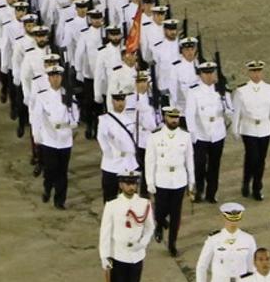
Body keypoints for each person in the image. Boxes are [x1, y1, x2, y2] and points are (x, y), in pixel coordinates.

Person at [99, 171, 155, 282]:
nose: (131, 187)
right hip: (118, 255)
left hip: (136, 256)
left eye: (134, 183)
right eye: (128, 183)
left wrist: (142, 243)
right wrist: (105, 256)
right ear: (120, 185)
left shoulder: (144, 204)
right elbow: (105, 233)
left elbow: (149, 227)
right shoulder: (112, 205)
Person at [230, 61, 270, 201]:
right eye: (253, 72)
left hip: (265, 128)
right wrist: (235, 129)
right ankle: (247, 182)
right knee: (253, 157)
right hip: (248, 128)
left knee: (261, 160)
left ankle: (256, 186)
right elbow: (236, 112)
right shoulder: (242, 90)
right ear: (249, 73)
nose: (256, 74)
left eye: (259, 71)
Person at [146, 106, 193, 257]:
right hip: (162, 178)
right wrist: (150, 182)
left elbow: (189, 160)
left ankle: (172, 243)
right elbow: (150, 161)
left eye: (176, 117)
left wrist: (191, 181)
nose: (174, 120)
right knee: (160, 211)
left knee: (175, 214)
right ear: (165, 117)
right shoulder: (155, 137)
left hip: (179, 179)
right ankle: (159, 224)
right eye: (171, 117)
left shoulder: (185, 136)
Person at [33, 66, 78, 209]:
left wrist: (73, 124)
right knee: (51, 169)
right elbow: (37, 117)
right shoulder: (42, 96)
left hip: (65, 138)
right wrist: (37, 135)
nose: (55, 79)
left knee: (62, 172)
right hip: (49, 138)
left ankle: (60, 200)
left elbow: (75, 113)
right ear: (48, 78)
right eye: (52, 76)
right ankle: (47, 187)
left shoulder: (68, 94)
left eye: (58, 76)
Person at [186, 62, 231, 203]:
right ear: (200, 75)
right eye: (206, 73)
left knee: (214, 165)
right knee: (199, 165)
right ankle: (199, 190)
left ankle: (212, 193)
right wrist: (193, 134)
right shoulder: (194, 91)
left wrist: (228, 111)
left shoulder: (221, 89)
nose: (209, 75)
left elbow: (230, 108)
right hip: (200, 134)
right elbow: (190, 114)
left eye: (212, 72)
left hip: (217, 133)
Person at [98, 91, 139, 201]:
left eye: (122, 100)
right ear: (112, 101)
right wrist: (109, 153)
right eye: (117, 100)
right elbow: (102, 138)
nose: (120, 103)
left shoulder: (131, 117)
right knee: (110, 198)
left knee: (129, 198)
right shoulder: (105, 119)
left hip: (129, 163)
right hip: (112, 164)